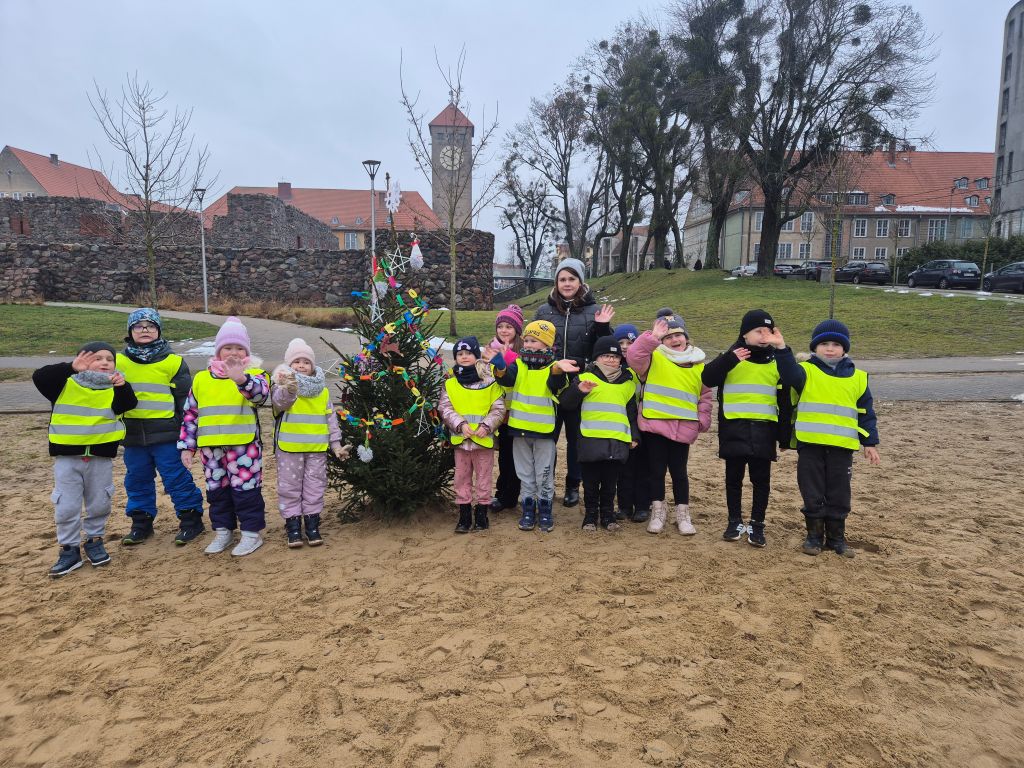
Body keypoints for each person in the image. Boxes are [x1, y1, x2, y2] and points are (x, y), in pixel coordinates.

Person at [776, 319, 880, 558]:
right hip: (810, 445)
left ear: (845, 349)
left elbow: (866, 413)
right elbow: (788, 374)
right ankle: (814, 537)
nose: (830, 349)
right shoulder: (805, 371)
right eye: (824, 344)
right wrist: (781, 348)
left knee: (839, 494)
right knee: (812, 492)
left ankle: (836, 539)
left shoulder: (858, 378)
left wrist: (870, 443)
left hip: (842, 448)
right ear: (815, 347)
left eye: (836, 344)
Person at [33, 343, 138, 577]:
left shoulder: (116, 387)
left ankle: (95, 540)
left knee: (99, 503)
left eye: (109, 359)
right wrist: (70, 368)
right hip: (67, 459)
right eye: (97, 358)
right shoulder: (65, 383)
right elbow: (39, 377)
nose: (104, 362)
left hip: (100, 459)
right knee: (66, 506)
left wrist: (122, 386)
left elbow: (129, 404)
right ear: (82, 360)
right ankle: (69, 549)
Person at [178, 317, 270, 557]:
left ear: (246, 351)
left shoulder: (256, 374)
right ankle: (223, 531)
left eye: (239, 348)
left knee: (246, 491)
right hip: (211, 449)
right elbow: (191, 414)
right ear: (218, 351)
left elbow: (260, 396)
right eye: (228, 347)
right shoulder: (201, 379)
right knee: (217, 492)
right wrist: (187, 446)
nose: (233, 352)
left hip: (244, 448)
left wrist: (241, 379)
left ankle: (251, 534)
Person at [701, 310, 792, 548]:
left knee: (761, 481)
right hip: (734, 429)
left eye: (768, 331)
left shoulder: (776, 360)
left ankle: (757, 524)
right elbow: (707, 378)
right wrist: (729, 359)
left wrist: (784, 437)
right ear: (745, 334)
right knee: (733, 479)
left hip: (765, 431)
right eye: (758, 331)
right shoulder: (732, 357)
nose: (764, 336)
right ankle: (734, 522)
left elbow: (785, 399)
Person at [116, 308, 206, 547]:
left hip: (167, 435)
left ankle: (191, 520)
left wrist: (186, 434)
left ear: (158, 330)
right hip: (133, 436)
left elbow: (185, 402)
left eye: (151, 326)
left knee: (176, 478)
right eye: (138, 326)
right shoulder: (118, 362)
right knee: (137, 480)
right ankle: (141, 524)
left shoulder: (173, 362)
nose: (144, 330)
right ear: (130, 331)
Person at [534, 258, 615, 508]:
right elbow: (534, 344)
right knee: (547, 438)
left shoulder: (594, 311)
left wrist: (603, 328)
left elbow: (604, 348)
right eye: (562, 279)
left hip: (580, 384)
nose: (567, 284)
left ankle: (572, 485)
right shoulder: (544, 311)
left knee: (576, 439)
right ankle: (546, 484)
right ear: (556, 282)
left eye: (572, 279)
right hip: (551, 381)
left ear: (580, 282)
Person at [626, 313, 712, 536]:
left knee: (679, 472)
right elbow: (634, 356)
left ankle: (683, 514)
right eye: (668, 337)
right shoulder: (653, 357)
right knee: (656, 471)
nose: (674, 340)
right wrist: (652, 337)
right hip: (655, 424)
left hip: (684, 427)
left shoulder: (699, 364)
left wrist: (702, 419)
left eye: (678, 335)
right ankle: (658, 511)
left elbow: (704, 396)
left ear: (686, 337)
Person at [487, 320, 577, 533]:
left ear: (547, 344)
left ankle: (545, 509)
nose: (528, 344)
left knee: (544, 474)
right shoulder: (519, 364)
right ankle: (528, 509)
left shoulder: (554, 367)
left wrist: (557, 371)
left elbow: (556, 387)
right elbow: (507, 380)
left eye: (533, 341)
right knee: (525, 473)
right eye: (526, 340)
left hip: (544, 432)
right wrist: (500, 365)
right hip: (519, 430)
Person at [271, 338, 348, 548]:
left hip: (316, 450)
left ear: (313, 365)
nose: (301, 365)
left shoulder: (322, 391)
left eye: (306, 362)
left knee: (315, 487)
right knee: (289, 488)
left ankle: (312, 526)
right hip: (289, 449)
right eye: (297, 361)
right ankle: (293, 528)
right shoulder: (282, 385)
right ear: (289, 364)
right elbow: (279, 403)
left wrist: (336, 445)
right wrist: (289, 389)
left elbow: (330, 420)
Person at [559, 335, 639, 532]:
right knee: (591, 483)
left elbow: (631, 414)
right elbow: (566, 404)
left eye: (615, 357)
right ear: (596, 358)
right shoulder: (585, 378)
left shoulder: (628, 383)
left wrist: (634, 436)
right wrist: (579, 390)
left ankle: (608, 515)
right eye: (605, 356)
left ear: (621, 360)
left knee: (611, 483)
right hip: (590, 440)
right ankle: (590, 516)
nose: (611, 360)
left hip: (616, 440)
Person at [440, 337, 506, 533]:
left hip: (483, 440)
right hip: (461, 440)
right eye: (460, 354)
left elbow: (498, 408)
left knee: (484, 477)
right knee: (461, 478)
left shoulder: (490, 382)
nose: (464, 357)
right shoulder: (450, 383)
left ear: (476, 355)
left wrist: (487, 426)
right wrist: (460, 425)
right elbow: (445, 408)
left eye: (468, 353)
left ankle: (482, 513)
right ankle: (464, 515)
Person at [488, 304, 524, 515]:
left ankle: (510, 496)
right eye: (500, 326)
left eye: (508, 327)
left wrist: (506, 358)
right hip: (497, 414)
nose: (504, 330)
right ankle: (502, 493)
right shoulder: (490, 349)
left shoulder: (522, 353)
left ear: (516, 330)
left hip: (516, 413)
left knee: (513, 457)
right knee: (503, 458)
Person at [613, 324, 651, 523]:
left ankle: (643, 506)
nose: (625, 346)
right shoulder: (614, 369)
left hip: (644, 423)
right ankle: (624, 506)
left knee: (643, 467)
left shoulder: (644, 367)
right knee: (624, 468)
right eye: (621, 342)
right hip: (623, 423)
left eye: (630, 342)